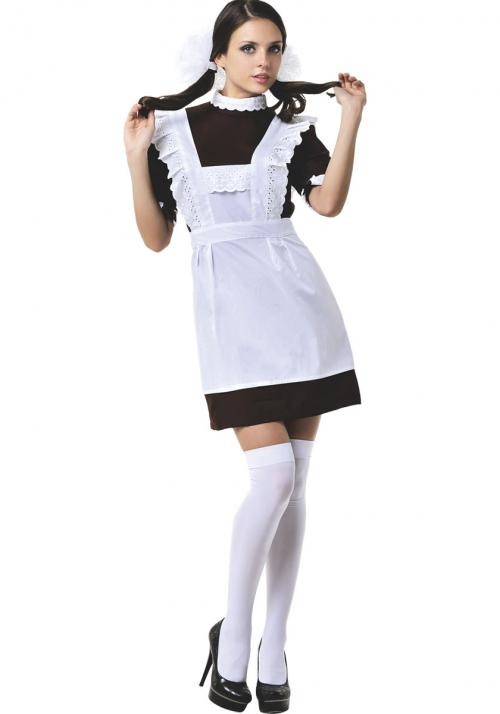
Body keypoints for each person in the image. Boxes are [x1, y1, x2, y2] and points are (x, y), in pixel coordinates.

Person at [123, 1, 366, 710]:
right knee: (273, 477)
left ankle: (275, 643)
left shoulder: (291, 127)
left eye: (275, 48)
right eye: (250, 47)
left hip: (302, 315)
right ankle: (234, 634)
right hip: (230, 321)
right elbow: (156, 239)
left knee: (294, 484)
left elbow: (327, 205)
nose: (265, 61)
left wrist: (352, 119)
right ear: (218, 55)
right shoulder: (170, 132)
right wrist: (134, 159)